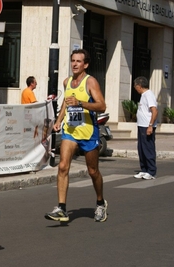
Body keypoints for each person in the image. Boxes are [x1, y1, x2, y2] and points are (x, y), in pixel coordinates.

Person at [44, 49, 108, 222]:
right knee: (63, 166)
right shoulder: (67, 82)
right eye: (73, 60)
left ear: (85, 64)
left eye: (78, 61)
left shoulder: (90, 82)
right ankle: (61, 208)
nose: (74, 64)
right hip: (70, 131)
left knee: (93, 171)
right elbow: (66, 101)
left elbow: (102, 106)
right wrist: (59, 119)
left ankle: (101, 203)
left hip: (88, 132)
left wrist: (81, 103)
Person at [132, 76, 158, 180]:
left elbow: (154, 111)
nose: (135, 88)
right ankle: (144, 169)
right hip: (141, 126)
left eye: (135, 86)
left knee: (148, 149)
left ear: (139, 86)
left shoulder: (149, 95)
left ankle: (151, 171)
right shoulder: (143, 95)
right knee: (141, 149)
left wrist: (150, 126)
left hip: (147, 126)